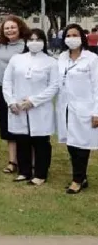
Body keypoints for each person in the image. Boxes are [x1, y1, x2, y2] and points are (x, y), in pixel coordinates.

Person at [2, 28, 59, 186]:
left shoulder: (51, 62)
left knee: (41, 142)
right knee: (22, 140)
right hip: (18, 108)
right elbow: (7, 82)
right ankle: (24, 171)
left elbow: (54, 86)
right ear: (26, 42)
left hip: (39, 108)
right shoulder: (17, 59)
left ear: (44, 42)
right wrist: (11, 101)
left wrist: (33, 101)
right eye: (31, 39)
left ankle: (40, 173)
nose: (34, 43)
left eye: (38, 39)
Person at [56, 24, 98, 194]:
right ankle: (82, 176)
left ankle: (77, 179)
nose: (71, 38)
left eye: (75, 35)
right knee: (71, 144)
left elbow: (97, 86)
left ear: (82, 37)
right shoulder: (61, 58)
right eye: (68, 35)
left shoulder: (91, 59)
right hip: (66, 106)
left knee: (82, 143)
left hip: (85, 108)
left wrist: (96, 111)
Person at [0, 15, 30, 175]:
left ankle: (30, 161)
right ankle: (12, 161)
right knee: (7, 126)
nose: (10, 30)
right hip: (3, 90)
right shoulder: (1, 46)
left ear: (20, 28)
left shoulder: (27, 46)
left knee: (25, 126)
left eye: (13, 27)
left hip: (21, 92)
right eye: (6, 28)